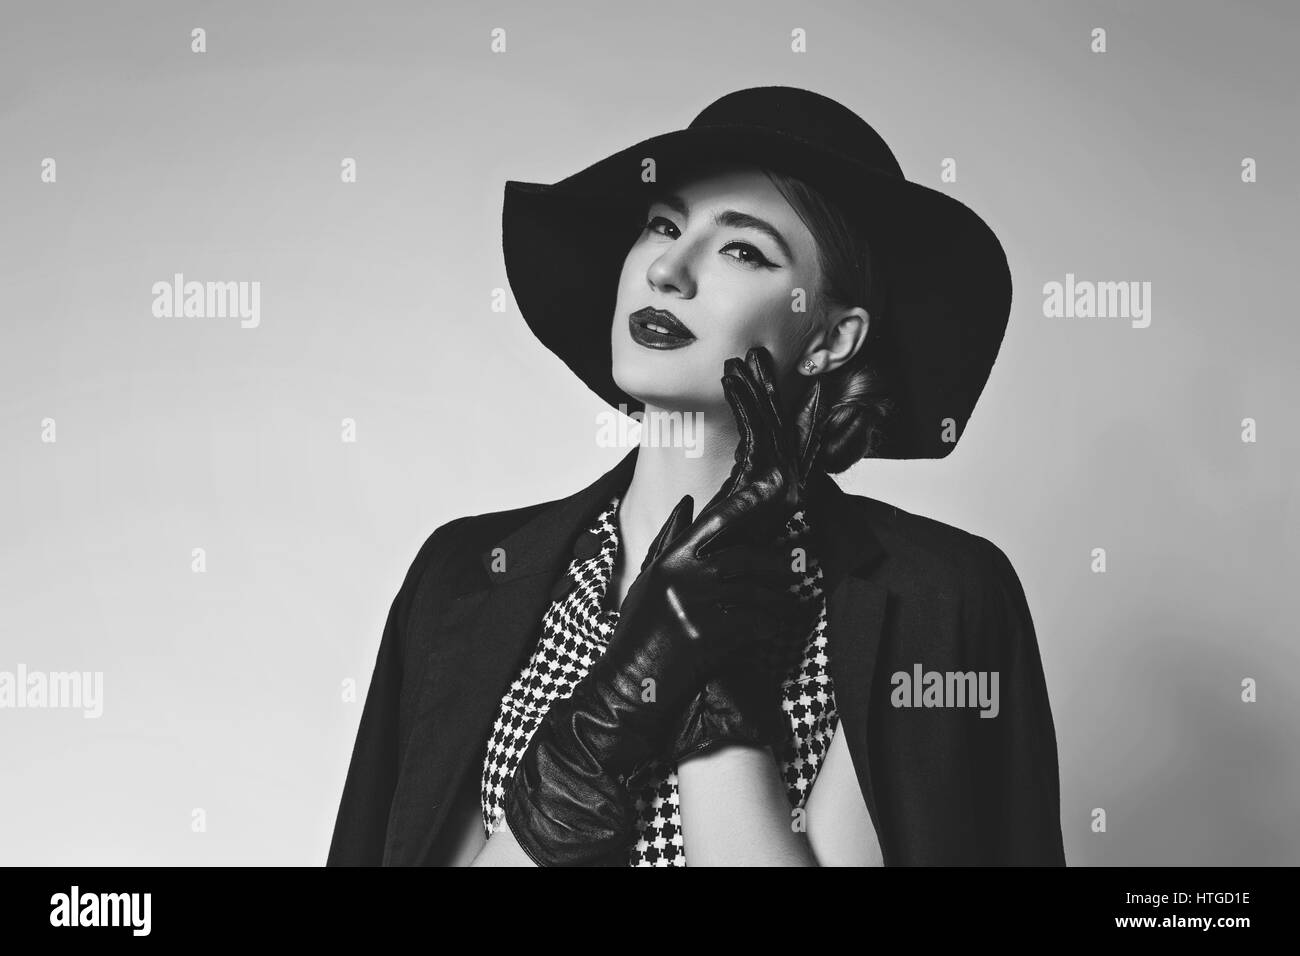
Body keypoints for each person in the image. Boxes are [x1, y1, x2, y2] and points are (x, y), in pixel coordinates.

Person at [326, 86, 1066, 867]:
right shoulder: (466, 579)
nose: (669, 271)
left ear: (831, 337)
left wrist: (716, 685)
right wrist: (614, 707)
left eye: (743, 249)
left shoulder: (927, 601)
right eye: (663, 226)